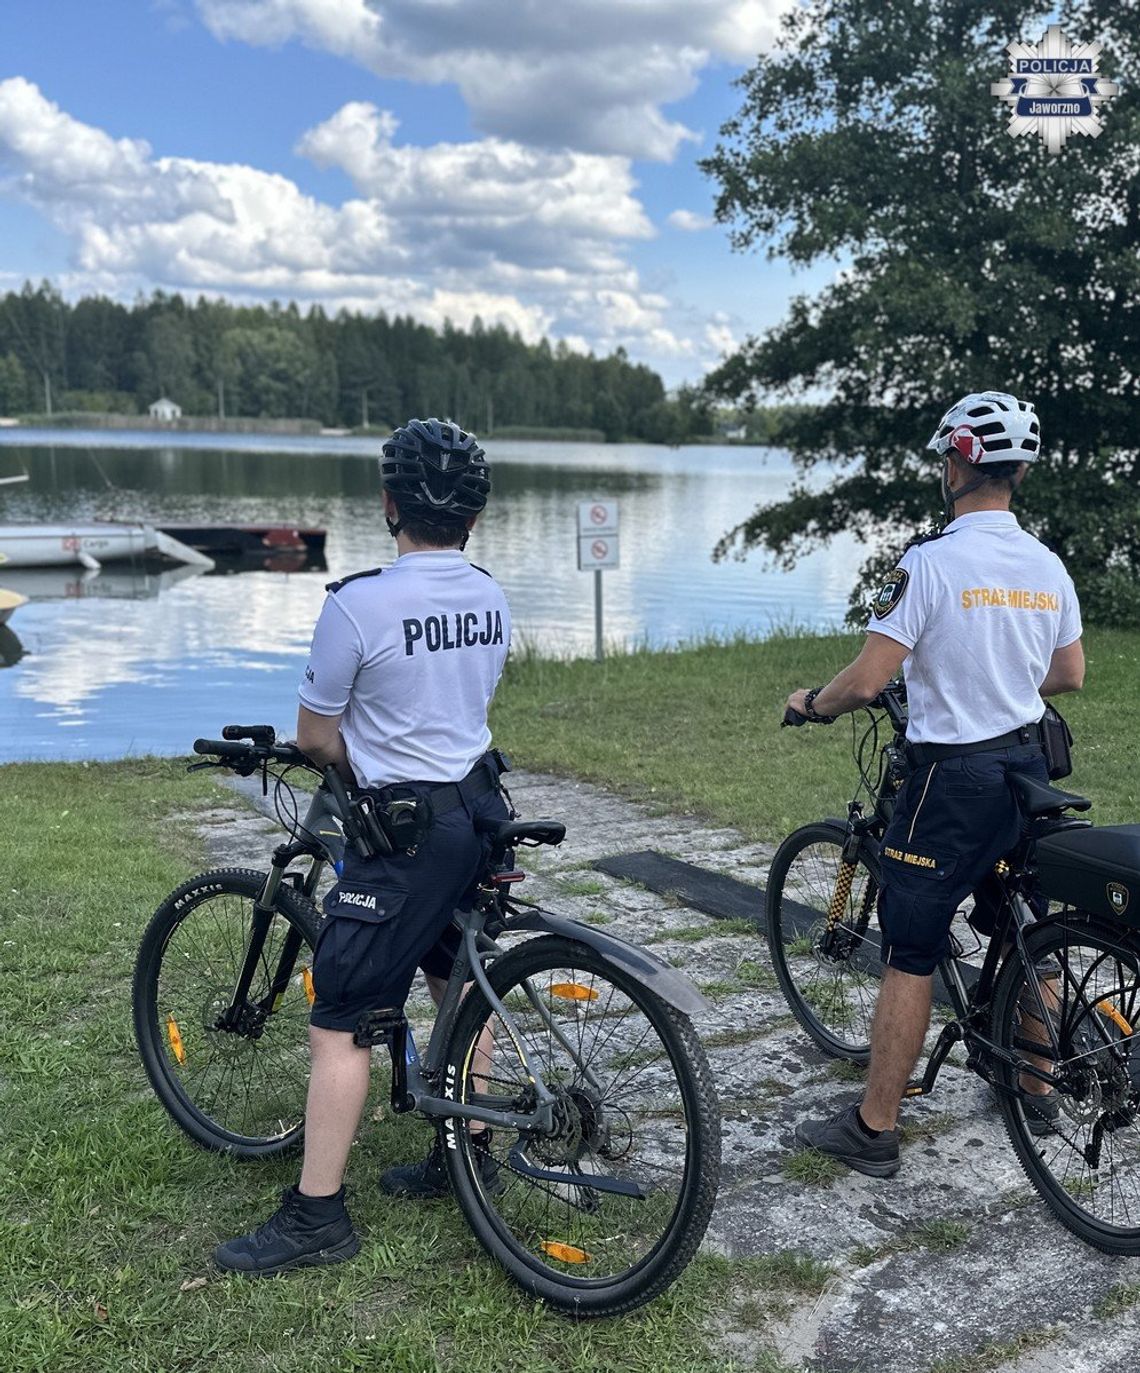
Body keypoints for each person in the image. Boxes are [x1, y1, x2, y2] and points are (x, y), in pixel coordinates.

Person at [215, 417, 512, 1274]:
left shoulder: (357, 602)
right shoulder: (489, 594)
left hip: (406, 830)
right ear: (474, 520)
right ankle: (468, 1155)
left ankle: (317, 1216)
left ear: (389, 505)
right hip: (478, 807)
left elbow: (315, 737)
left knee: (340, 1014)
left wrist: (362, 756)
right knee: (459, 979)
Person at [785, 391, 1085, 1177]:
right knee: (1024, 919)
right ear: (1016, 473)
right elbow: (1069, 673)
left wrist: (814, 704)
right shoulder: (1047, 562)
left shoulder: (932, 561)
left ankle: (873, 1127)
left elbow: (870, 676)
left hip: (952, 782)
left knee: (911, 949)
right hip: (1027, 768)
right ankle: (1034, 1083)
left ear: (958, 462)